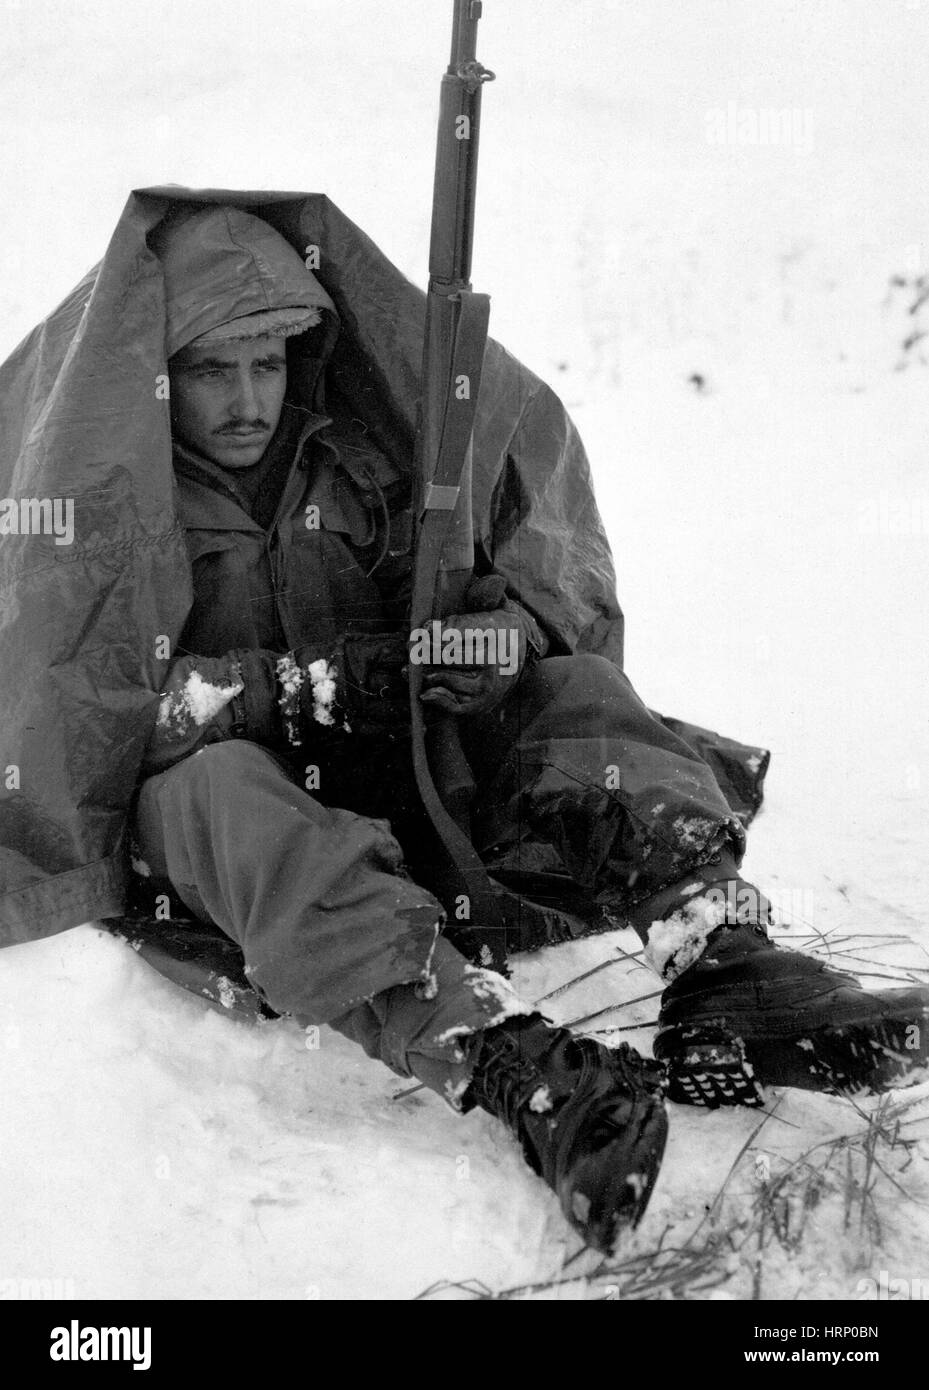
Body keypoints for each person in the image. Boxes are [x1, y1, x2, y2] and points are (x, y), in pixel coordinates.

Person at [124, 204, 929, 1252]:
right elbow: (103, 711)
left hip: (395, 782)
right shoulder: (122, 499)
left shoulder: (354, 463)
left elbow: (490, 586)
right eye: (211, 370)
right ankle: (509, 1063)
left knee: (573, 694)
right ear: (159, 373)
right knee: (214, 788)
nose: (245, 400)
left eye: (266, 364)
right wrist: (305, 684)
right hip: (239, 838)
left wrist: (488, 639)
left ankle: (722, 963)